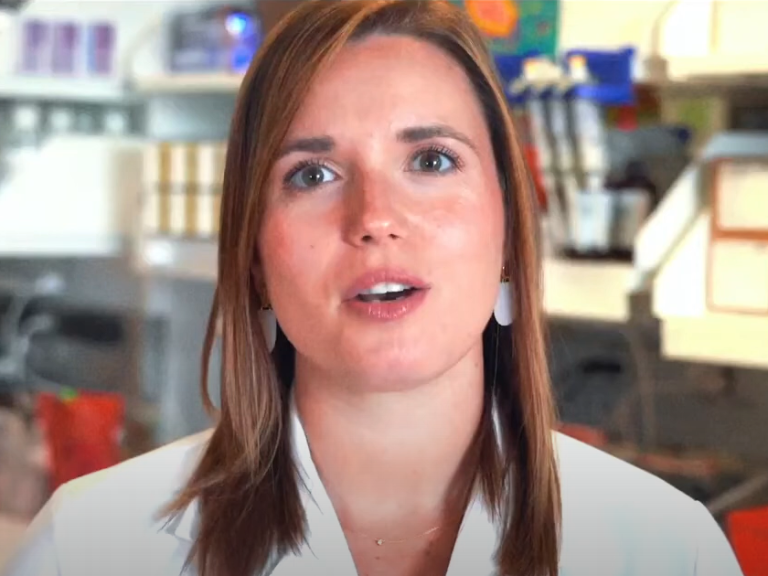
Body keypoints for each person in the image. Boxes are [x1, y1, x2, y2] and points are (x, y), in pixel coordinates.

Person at [3, 2, 744, 575]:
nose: (375, 219)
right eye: (312, 175)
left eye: (431, 160)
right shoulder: (92, 547)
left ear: (511, 231)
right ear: (255, 257)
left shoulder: (665, 550)